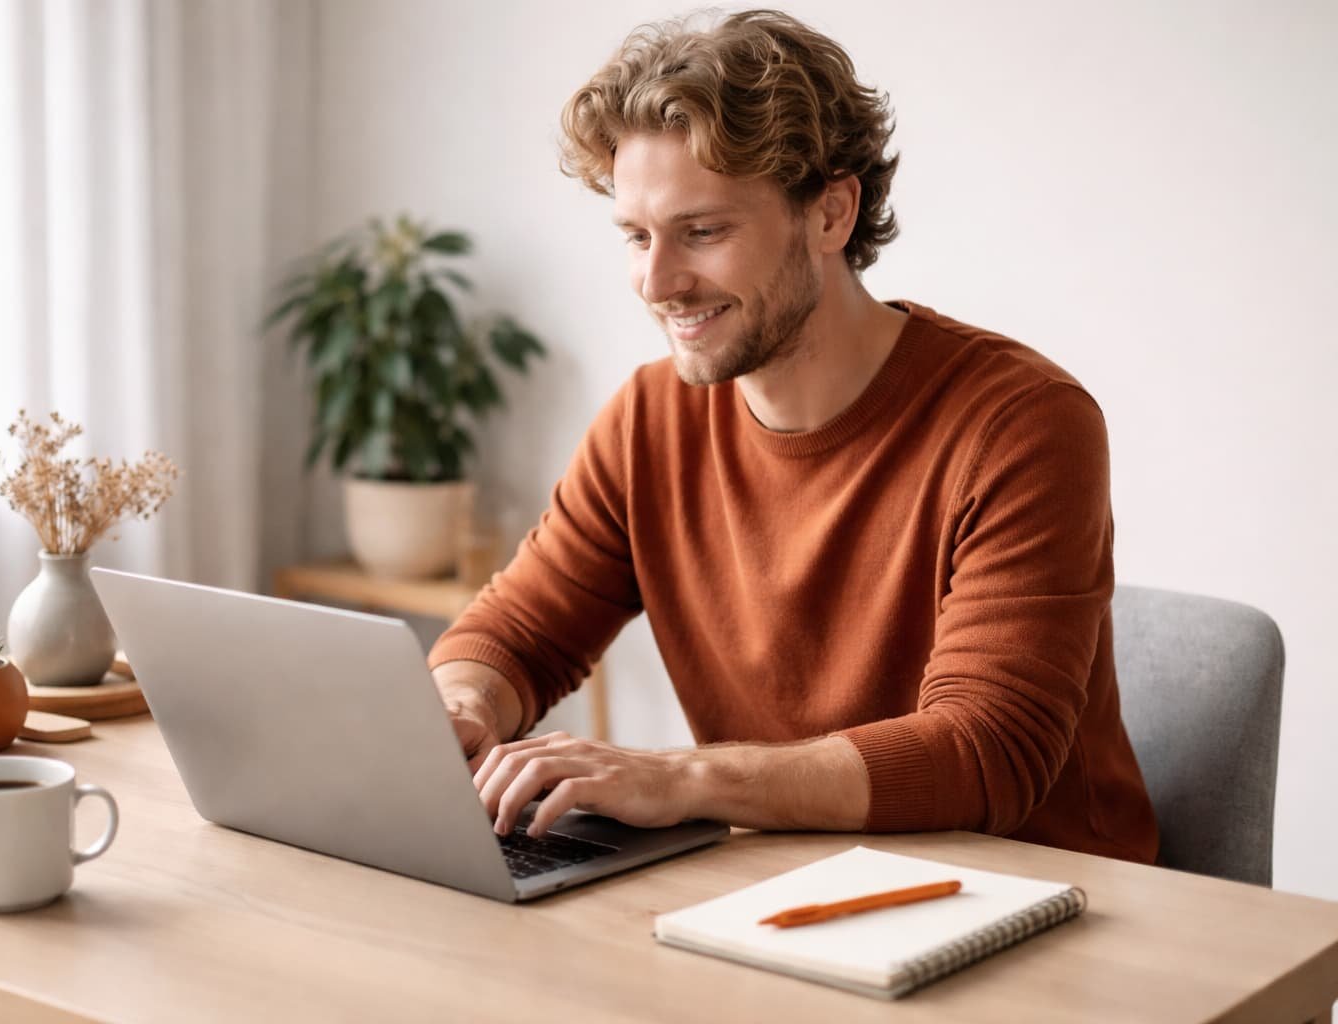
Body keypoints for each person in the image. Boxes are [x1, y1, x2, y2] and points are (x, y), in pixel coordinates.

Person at [428, 9, 1158, 864]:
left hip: (1039, 903)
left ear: (830, 214)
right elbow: (516, 634)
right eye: (636, 236)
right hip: (792, 892)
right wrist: (464, 708)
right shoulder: (650, 419)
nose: (656, 283)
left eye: (703, 232)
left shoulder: (1020, 422)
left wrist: (681, 779)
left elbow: (985, 752)